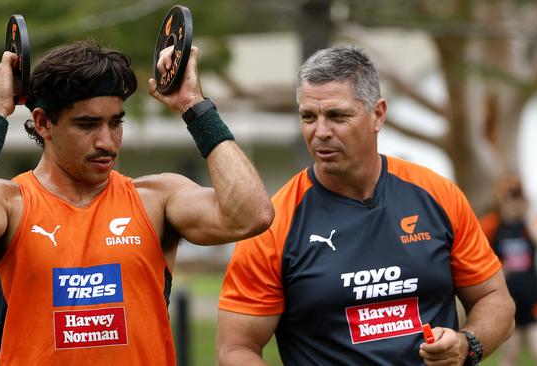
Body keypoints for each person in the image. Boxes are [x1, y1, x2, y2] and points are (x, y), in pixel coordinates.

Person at [0, 41, 273, 365]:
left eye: (115, 123)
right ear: (43, 123)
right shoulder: (10, 204)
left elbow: (252, 214)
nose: (107, 142)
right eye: (88, 125)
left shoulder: (155, 199)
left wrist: (194, 106)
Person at [217, 45, 515, 365]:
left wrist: (467, 344)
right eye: (308, 117)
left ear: (377, 114)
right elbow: (236, 350)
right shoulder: (275, 223)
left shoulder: (436, 195)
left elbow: (495, 299)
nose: (320, 132)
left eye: (337, 116)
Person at [480, 175, 537, 366]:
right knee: (510, 354)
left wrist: (530, 220)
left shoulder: (532, 222)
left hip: (533, 297)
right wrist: (497, 268)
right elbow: (475, 253)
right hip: (507, 300)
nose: (514, 202)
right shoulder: (492, 224)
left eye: (518, 196)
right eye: (510, 196)